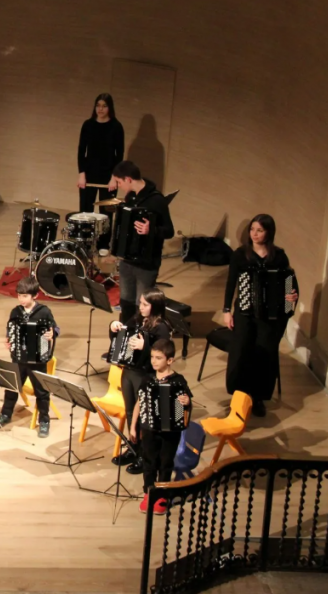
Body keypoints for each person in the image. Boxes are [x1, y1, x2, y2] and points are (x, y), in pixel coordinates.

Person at [222, 214, 299, 417]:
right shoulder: (240, 255)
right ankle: (239, 396)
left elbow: (289, 280)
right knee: (241, 352)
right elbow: (231, 284)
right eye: (252, 229)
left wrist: (291, 295)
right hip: (245, 313)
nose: (254, 234)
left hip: (269, 317)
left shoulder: (279, 256)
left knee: (264, 354)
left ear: (268, 233)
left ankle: (258, 398)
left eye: (259, 230)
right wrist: (227, 311)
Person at [108, 287, 173, 474]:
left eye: (145, 304)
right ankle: (133, 447)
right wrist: (114, 326)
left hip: (145, 375)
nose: (141, 307)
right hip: (129, 371)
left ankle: (146, 456)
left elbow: (164, 354)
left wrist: (147, 346)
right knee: (131, 412)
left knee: (145, 416)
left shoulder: (162, 327)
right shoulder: (138, 319)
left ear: (155, 306)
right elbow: (123, 331)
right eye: (141, 303)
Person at [130, 339, 192, 515]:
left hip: (170, 431)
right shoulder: (147, 379)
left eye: (158, 358)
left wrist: (186, 402)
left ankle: (162, 494)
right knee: (149, 461)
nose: (154, 361)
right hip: (149, 429)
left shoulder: (178, 381)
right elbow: (139, 403)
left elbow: (186, 402)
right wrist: (133, 426)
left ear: (170, 360)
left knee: (166, 462)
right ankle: (149, 492)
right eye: (152, 357)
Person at [110, 161, 175, 324]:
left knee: (143, 306)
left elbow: (169, 231)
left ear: (128, 179)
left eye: (119, 182)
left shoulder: (156, 200)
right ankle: (125, 336)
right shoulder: (130, 197)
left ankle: (140, 339)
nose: (119, 186)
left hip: (147, 263)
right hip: (127, 261)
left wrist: (151, 230)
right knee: (126, 302)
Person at [0, 276, 58, 438]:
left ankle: (44, 421)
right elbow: (10, 329)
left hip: (38, 360)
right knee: (12, 387)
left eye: (25, 296)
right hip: (19, 358)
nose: (21, 299)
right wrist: (9, 340)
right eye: (19, 295)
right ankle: (6, 414)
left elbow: (54, 328)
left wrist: (53, 333)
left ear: (34, 296)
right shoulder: (15, 312)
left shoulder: (44, 311)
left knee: (41, 392)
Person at [77, 94, 125, 252]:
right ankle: (85, 243)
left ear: (110, 108)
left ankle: (103, 244)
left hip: (108, 176)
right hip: (89, 174)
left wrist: (114, 178)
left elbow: (119, 155)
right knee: (85, 211)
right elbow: (81, 151)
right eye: (98, 105)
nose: (100, 109)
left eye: (104, 106)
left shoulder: (116, 127)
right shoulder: (88, 125)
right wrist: (81, 174)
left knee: (106, 212)